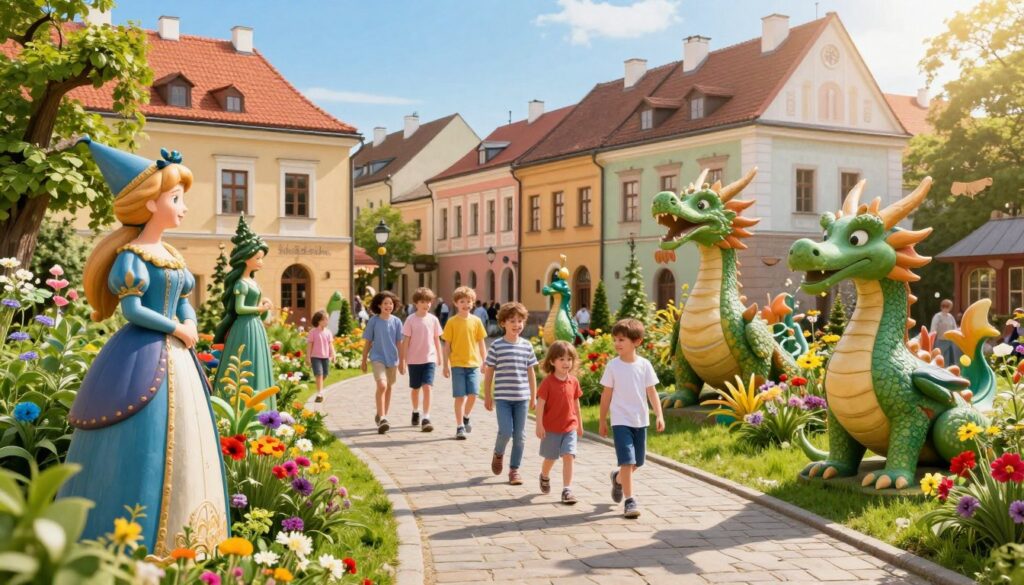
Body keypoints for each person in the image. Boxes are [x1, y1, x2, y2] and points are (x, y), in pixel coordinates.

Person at [59, 138, 228, 553]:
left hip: (178, 358)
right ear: (152, 204)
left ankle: (190, 542)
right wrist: (174, 328)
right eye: (176, 198)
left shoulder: (171, 253)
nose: (184, 206)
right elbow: (132, 310)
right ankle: (123, 542)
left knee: (190, 442)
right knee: (140, 442)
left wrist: (188, 322)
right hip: (141, 357)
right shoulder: (132, 257)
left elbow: (186, 299)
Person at [598, 318, 666, 519]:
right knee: (627, 462)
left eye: (622, 340)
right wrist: (602, 420)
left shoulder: (644, 365)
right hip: (620, 421)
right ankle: (630, 501)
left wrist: (659, 415)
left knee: (637, 463)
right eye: (615, 339)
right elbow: (606, 395)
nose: (617, 343)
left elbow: (652, 392)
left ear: (636, 342)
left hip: (640, 420)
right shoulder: (613, 366)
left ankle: (617, 479)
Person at [212, 216, 274, 408]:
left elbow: (257, 312)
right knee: (244, 361)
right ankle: (236, 405)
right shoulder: (240, 283)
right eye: (258, 258)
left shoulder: (254, 282)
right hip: (244, 328)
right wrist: (259, 308)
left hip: (255, 327)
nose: (261, 262)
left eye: (261, 258)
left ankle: (259, 407)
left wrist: (264, 308)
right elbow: (239, 309)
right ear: (246, 260)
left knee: (257, 363)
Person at [483, 302, 538, 485]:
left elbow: (531, 373)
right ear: (503, 323)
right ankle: (498, 454)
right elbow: (489, 372)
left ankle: (514, 470)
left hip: (522, 398)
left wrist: (533, 395)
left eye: (520, 321)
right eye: (512, 321)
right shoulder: (497, 346)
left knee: (520, 436)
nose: (517, 325)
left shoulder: (527, 346)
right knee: (506, 432)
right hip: (503, 398)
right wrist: (488, 395)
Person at [535, 340, 583, 504]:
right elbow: (540, 404)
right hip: (551, 429)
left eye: (569, 359)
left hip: (569, 426)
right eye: (561, 359)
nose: (566, 363)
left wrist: (579, 424)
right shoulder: (547, 382)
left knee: (569, 456)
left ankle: (567, 490)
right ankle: (544, 475)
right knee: (550, 458)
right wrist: (539, 425)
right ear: (552, 361)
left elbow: (576, 403)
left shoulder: (574, 381)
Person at [442, 286, 488, 440]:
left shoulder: (476, 321)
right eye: (462, 301)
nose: (466, 304)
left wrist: (484, 361)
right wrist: (445, 365)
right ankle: (460, 426)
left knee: (474, 394)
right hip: (457, 365)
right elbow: (446, 346)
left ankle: (466, 415)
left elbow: (482, 343)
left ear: (473, 303)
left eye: (469, 301)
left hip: (474, 364)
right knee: (460, 397)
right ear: (456, 303)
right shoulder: (451, 322)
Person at [399, 287, 443, 432]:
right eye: (423, 301)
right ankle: (415, 410)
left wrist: (439, 356)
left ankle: (426, 417)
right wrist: (403, 361)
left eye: (429, 301)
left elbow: (437, 339)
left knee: (427, 387)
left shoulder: (434, 320)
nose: (427, 304)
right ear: (416, 303)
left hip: (429, 359)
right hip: (413, 360)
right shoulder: (410, 320)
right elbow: (405, 342)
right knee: (415, 389)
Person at [361, 291, 404, 434]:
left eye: (390, 303)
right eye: (385, 303)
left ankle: (381, 415)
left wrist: (402, 362)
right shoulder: (374, 321)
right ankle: (383, 418)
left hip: (392, 359)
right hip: (377, 357)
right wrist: (363, 360)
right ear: (379, 305)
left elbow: (399, 343)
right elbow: (368, 342)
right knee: (382, 385)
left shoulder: (397, 322)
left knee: (389, 387)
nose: (388, 306)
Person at [306, 310, 336, 403]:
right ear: (319, 321)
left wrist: (333, 354)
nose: (327, 321)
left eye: (327, 319)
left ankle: (320, 387)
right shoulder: (313, 332)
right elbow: (309, 345)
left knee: (325, 374)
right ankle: (319, 393)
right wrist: (308, 357)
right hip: (315, 357)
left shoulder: (328, 332)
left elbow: (330, 344)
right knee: (319, 374)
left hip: (325, 357)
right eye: (325, 319)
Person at [930, 299, 959, 366]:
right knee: (939, 359)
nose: (947, 308)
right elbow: (933, 329)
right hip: (940, 341)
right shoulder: (938, 316)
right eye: (946, 306)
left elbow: (955, 329)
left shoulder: (950, 317)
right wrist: (932, 339)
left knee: (949, 361)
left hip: (949, 342)